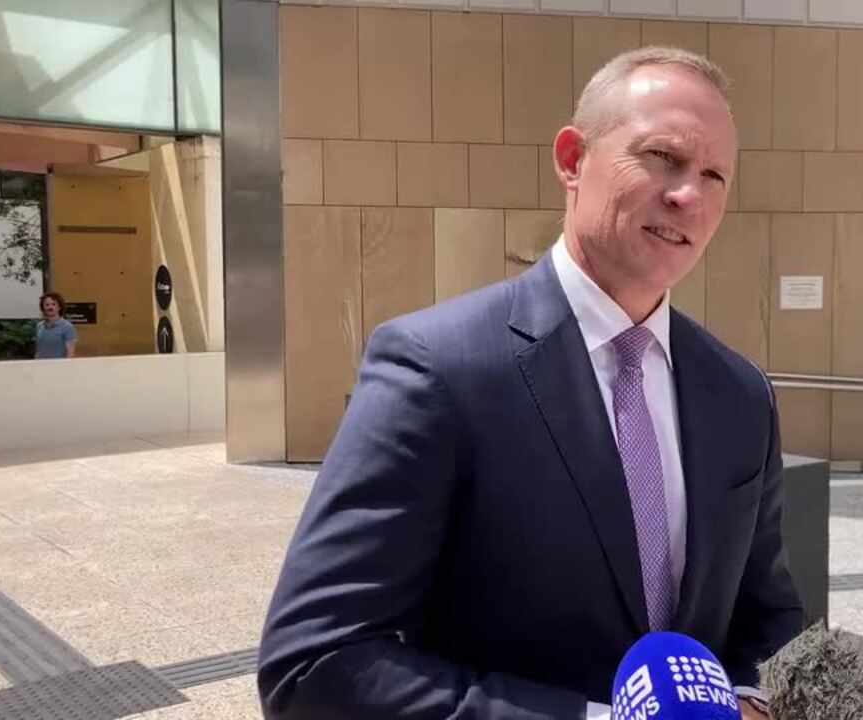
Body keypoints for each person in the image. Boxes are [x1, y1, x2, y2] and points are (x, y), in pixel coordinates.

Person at [257, 46, 802, 720]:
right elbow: (316, 663)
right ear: (572, 160)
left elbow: (770, 619)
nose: (689, 194)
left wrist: (750, 702)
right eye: (663, 157)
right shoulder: (437, 367)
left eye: (715, 174)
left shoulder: (741, 395)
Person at [35, 291, 76, 359]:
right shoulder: (39, 326)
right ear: (43, 308)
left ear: (59, 307)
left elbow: (70, 354)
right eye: (47, 305)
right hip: (42, 366)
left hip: (59, 367)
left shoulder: (67, 327)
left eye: (53, 304)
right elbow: (38, 351)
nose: (50, 307)